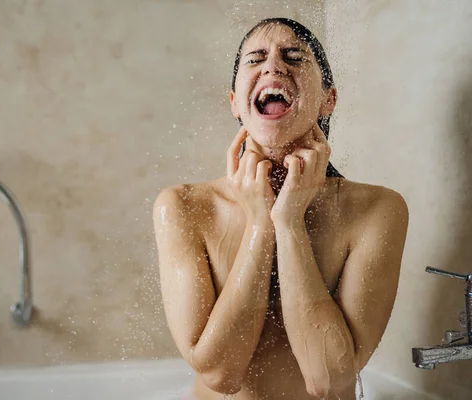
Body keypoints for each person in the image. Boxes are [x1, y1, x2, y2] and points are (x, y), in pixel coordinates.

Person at [153, 18, 409, 400]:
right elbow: (221, 374)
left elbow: (327, 380)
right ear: (235, 103)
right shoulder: (184, 207)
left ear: (328, 99)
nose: (273, 67)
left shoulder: (376, 210)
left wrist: (288, 223)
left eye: (294, 57)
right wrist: (260, 222)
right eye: (255, 59)